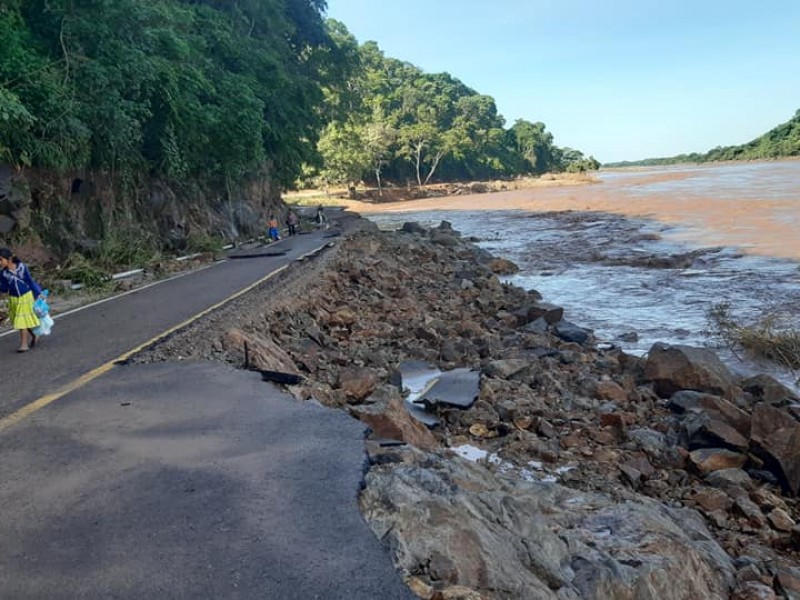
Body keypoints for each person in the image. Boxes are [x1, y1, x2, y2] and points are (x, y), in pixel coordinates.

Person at [0, 248, 43, 352]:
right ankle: (35, 334)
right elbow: (5, 288)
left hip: (25, 297)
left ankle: (24, 345)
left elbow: (30, 281)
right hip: (14, 299)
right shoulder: (3, 274)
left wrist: (38, 294)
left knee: (22, 320)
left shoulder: (22, 267)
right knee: (20, 321)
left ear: (9, 259)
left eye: (1, 259)